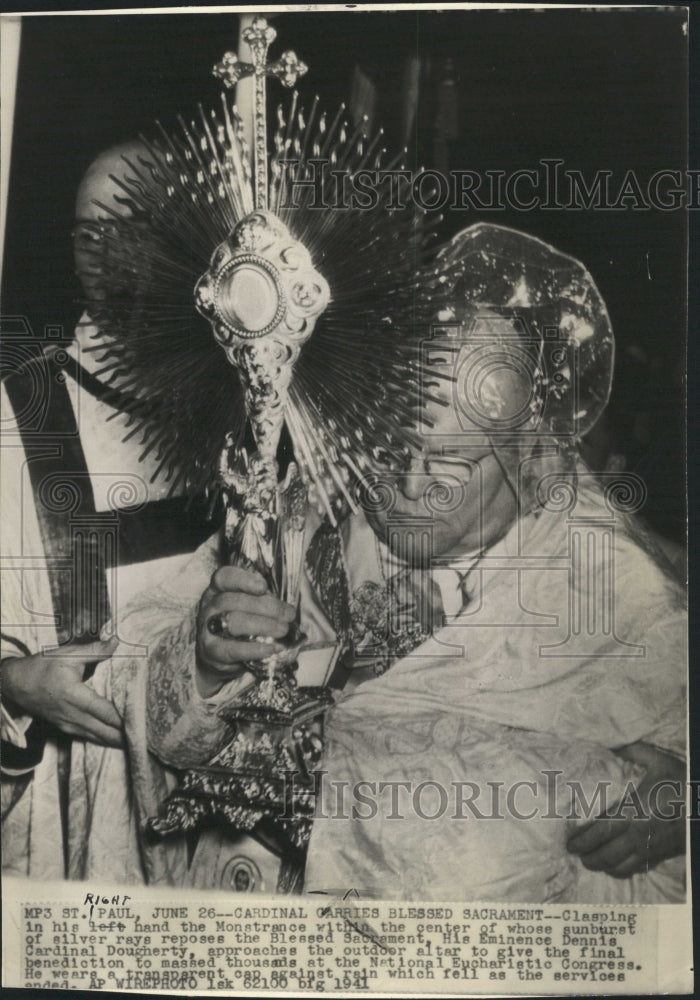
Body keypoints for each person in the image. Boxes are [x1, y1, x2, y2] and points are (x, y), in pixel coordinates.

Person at [58, 225, 686, 900]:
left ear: (523, 454)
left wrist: (687, 799)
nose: (412, 489)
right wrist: (203, 665)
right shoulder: (312, 508)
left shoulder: (607, 575)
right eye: (390, 451)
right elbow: (140, 660)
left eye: (450, 463)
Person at [1, 143, 216, 878]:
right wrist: (9, 684)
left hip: (208, 814)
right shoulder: (21, 409)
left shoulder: (241, 411)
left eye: (135, 225)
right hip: (61, 810)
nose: (108, 252)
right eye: (88, 232)